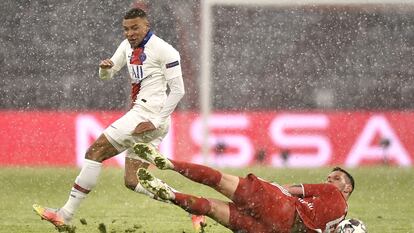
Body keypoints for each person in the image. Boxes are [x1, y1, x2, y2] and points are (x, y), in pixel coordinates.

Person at [33, 8, 185, 229]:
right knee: (133, 181)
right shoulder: (126, 46)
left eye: (135, 28)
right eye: (126, 29)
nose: (130, 33)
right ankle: (194, 206)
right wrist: (104, 69)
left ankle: (65, 214)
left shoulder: (164, 50)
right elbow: (108, 74)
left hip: (149, 115)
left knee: (94, 152)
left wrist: (157, 120)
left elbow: (178, 90)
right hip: (146, 117)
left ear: (147, 26)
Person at [133, 143, 355, 233]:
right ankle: (171, 194)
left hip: (282, 208)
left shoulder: (334, 193)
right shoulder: (334, 226)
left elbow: (293, 189)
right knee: (209, 207)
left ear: (347, 188)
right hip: (274, 231)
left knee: (218, 180)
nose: (329, 181)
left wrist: (268, 186)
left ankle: (169, 164)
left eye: (335, 178)